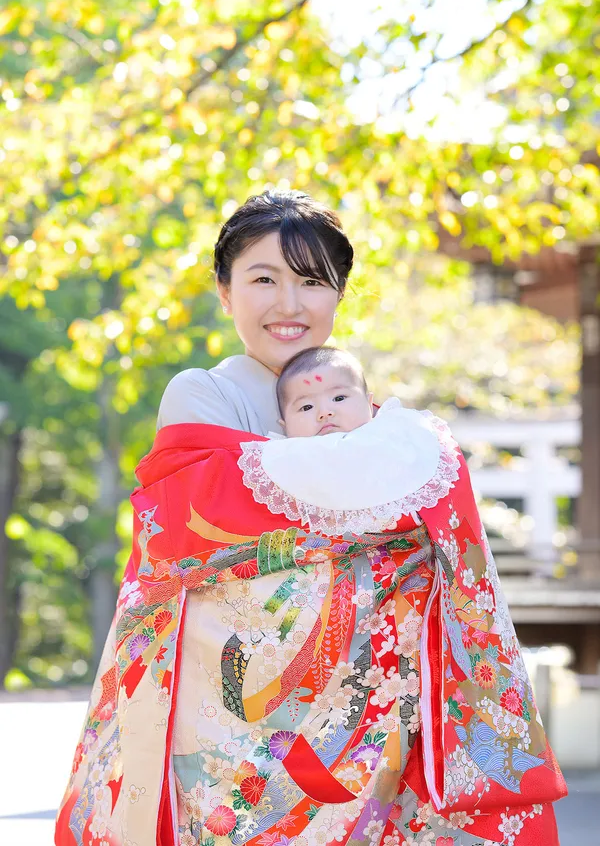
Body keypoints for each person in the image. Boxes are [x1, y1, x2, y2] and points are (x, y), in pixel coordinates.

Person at [56, 190, 566, 846]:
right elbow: (198, 536)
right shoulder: (203, 392)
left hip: (358, 713)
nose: (288, 304)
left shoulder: (355, 399)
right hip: (230, 717)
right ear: (224, 291)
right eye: (262, 279)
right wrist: (366, 519)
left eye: (311, 281)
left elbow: (420, 545)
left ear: (340, 294)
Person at [275, 346, 373, 438]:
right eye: (306, 407)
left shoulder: (384, 434)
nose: (324, 412)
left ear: (369, 404)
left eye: (339, 398)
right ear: (285, 427)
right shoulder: (281, 453)